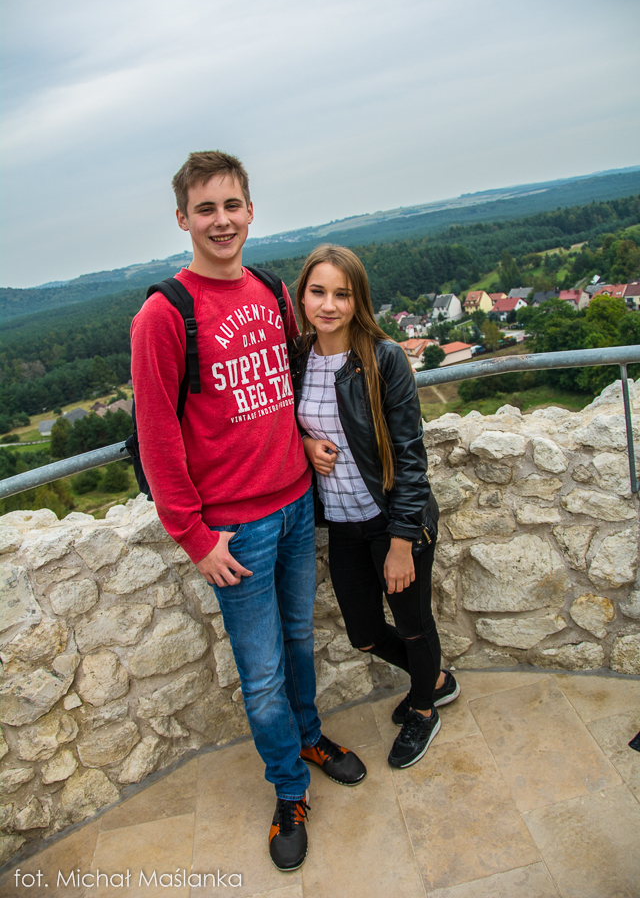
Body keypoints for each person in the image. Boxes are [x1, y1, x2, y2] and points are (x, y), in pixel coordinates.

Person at [130, 152, 365, 873]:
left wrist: (302, 439)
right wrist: (195, 539)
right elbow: (157, 438)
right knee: (261, 675)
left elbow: (276, 389)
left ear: (251, 211)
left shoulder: (270, 289)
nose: (221, 220)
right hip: (235, 532)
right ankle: (289, 791)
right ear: (183, 219)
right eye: (206, 208)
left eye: (232, 205)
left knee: (299, 641)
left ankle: (309, 737)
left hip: (295, 503)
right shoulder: (164, 315)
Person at [291, 244, 460, 769]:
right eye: (318, 292)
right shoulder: (297, 357)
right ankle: (434, 679)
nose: (329, 305)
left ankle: (424, 709)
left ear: (357, 300)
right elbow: (282, 424)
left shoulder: (383, 357)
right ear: (302, 297)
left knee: (413, 624)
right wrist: (304, 443)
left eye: (342, 294)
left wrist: (402, 541)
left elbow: (410, 456)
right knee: (363, 634)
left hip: (392, 520)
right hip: (343, 525)